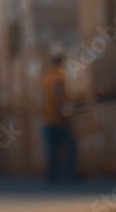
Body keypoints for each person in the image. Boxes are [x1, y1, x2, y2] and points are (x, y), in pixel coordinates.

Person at [41, 54, 77, 183]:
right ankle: (68, 174)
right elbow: (58, 97)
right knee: (71, 146)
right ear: (61, 64)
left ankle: (52, 176)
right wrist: (64, 113)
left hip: (48, 120)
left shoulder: (46, 79)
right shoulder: (59, 78)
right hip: (58, 120)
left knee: (53, 150)